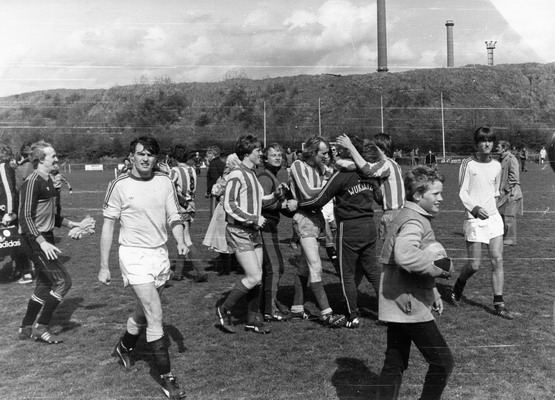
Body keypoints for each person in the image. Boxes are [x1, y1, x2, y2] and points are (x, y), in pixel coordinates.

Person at [98, 136, 188, 399]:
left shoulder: (165, 181)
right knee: (155, 312)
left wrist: (181, 239)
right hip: (133, 255)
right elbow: (108, 227)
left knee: (143, 311)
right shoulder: (119, 185)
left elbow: (175, 215)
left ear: (156, 158)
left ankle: (124, 348)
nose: (146, 159)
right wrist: (104, 266)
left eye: (150, 154)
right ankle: (168, 379)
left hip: (159, 255)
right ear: (132, 156)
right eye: (141, 154)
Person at [377, 166, 454, 400]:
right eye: (436, 194)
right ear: (418, 195)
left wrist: (433, 291)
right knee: (443, 362)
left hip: (396, 298)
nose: (441, 198)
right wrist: (438, 270)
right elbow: (405, 254)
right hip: (408, 302)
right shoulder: (415, 221)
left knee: (395, 362)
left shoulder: (406, 214)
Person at [299, 135, 381, 329]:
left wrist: (299, 204)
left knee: (347, 274)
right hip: (369, 225)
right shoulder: (368, 173)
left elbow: (319, 198)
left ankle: (353, 314)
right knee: (373, 271)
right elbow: (380, 196)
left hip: (349, 227)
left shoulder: (342, 175)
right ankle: (387, 310)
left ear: (347, 151)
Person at [18, 140, 95, 344]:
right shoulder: (32, 181)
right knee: (63, 281)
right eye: (53, 156)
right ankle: (41, 327)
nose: (57, 159)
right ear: (41, 159)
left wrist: (76, 224)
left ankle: (25, 327)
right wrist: (42, 242)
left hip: (43, 238)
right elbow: (25, 218)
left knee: (44, 285)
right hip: (34, 239)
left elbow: (53, 217)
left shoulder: (49, 181)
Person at [215, 135, 282, 334]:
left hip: (252, 232)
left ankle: (253, 319)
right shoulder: (237, 174)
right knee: (253, 276)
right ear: (247, 154)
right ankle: (224, 309)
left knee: (257, 277)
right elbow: (229, 204)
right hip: (239, 231)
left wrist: (276, 196)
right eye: (257, 151)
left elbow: (261, 200)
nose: (261, 154)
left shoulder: (252, 174)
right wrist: (253, 218)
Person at [451, 127, 515, 320]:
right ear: (476, 143)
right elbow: (462, 192)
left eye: (490, 141)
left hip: (493, 219)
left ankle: (499, 303)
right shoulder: (467, 164)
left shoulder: (496, 165)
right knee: (475, 264)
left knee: (497, 259)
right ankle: (458, 285)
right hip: (474, 219)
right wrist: (475, 209)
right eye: (483, 141)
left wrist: (497, 214)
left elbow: (495, 192)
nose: (487, 144)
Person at [288, 135, 345, 326]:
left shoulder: (319, 168)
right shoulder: (298, 165)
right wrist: (330, 186)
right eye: (323, 153)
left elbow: (333, 179)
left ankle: (296, 308)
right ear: (312, 152)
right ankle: (327, 313)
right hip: (304, 218)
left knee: (305, 265)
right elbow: (308, 192)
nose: (326, 156)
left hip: (316, 217)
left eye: (328, 152)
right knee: (315, 265)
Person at [337, 133, 405, 241]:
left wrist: (350, 147)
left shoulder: (387, 164)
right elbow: (379, 199)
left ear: (382, 150)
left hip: (393, 216)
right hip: (396, 214)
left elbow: (367, 169)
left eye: (373, 148)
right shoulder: (394, 165)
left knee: (389, 253)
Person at [257, 143, 295, 322]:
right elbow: (262, 203)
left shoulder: (274, 176)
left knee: (275, 266)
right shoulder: (265, 177)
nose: (278, 157)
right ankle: (269, 309)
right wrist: (282, 204)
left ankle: (267, 303)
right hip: (264, 225)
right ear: (265, 158)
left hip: (271, 226)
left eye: (280, 154)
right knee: (273, 266)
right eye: (273, 155)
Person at [169, 144, 208, 283]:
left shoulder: (175, 170)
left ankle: (201, 272)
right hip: (191, 205)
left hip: (181, 206)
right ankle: (178, 273)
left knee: (185, 239)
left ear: (174, 158)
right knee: (183, 239)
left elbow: (168, 187)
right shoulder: (191, 169)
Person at [0, 145, 33, 283]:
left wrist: (10, 212)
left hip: (5, 212)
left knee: (14, 241)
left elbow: (9, 191)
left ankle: (26, 271)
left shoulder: (2, 167)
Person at [496, 141, 523, 246]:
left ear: (504, 148)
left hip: (511, 193)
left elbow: (514, 177)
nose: (496, 148)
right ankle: (505, 237)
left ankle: (510, 239)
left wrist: (505, 189)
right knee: (502, 215)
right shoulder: (501, 159)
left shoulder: (511, 159)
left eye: (498, 147)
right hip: (503, 193)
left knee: (509, 216)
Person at [206, 146, 226, 218]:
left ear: (212, 154)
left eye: (208, 154)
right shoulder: (221, 163)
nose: (207, 156)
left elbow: (214, 178)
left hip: (216, 192)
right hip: (223, 191)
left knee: (214, 215)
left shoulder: (213, 164)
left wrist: (208, 190)